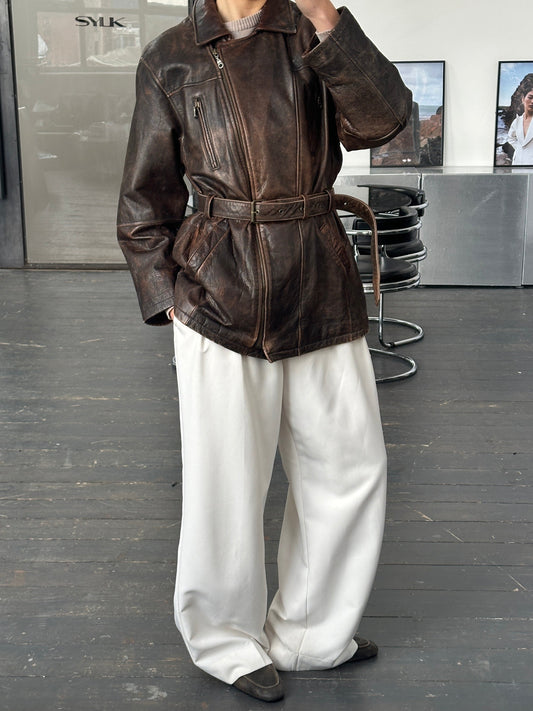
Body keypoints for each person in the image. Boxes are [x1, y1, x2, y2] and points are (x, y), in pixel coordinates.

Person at [117, 0, 411, 702]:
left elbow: (383, 120)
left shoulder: (312, 30)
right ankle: (224, 642)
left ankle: (313, 635)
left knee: (348, 467)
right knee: (225, 482)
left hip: (319, 279)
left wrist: (326, 16)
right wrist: (170, 298)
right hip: (218, 292)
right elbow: (143, 200)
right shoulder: (171, 55)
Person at [508, 87, 533, 165]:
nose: (532, 101)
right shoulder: (517, 121)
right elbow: (510, 138)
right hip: (518, 162)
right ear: (523, 99)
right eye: (530, 97)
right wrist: (519, 148)